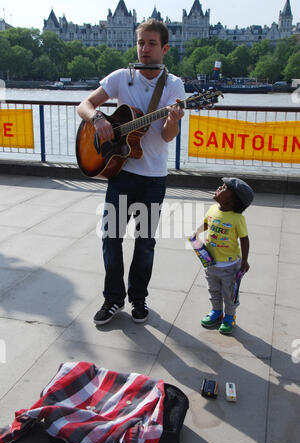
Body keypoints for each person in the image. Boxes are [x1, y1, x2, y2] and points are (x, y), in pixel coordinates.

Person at [77, 19, 185, 325]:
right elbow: (84, 104)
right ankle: (113, 299)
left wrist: (174, 119)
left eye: (152, 43)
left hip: (153, 178)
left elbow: (165, 136)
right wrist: (98, 117)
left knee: (145, 241)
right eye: (141, 43)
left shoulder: (174, 85)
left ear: (164, 48)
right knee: (111, 237)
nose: (145, 49)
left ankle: (139, 299)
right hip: (120, 172)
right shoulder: (121, 77)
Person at [193, 177, 254, 335]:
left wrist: (245, 260)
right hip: (211, 263)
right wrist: (197, 232)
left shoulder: (237, 219)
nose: (220, 187)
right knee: (213, 290)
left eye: (225, 187)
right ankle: (216, 311)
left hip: (229, 266)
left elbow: (244, 239)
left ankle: (229, 317)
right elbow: (208, 223)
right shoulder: (213, 208)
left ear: (233, 201)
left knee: (229, 294)